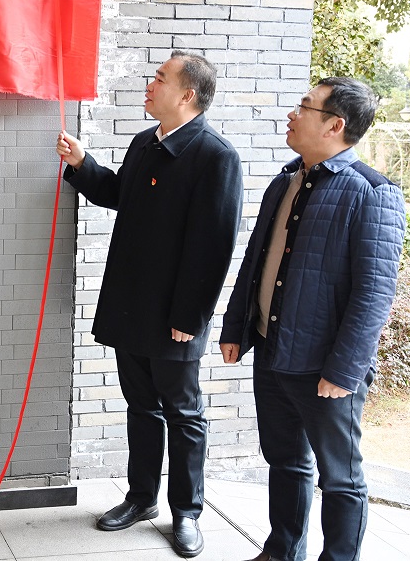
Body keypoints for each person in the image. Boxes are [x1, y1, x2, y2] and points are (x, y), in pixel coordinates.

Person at [57, 50, 243, 558]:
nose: (150, 83)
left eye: (160, 78)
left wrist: (190, 317)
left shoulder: (215, 156)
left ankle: (187, 513)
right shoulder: (145, 142)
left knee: (183, 414)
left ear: (187, 95)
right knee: (141, 407)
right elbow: (120, 194)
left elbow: (215, 246)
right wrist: (83, 165)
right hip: (131, 306)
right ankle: (141, 498)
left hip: (175, 317)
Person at [220, 77, 405, 561]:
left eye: (304, 107)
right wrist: (237, 327)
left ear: (334, 125)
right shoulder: (285, 181)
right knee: (284, 461)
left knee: (340, 477)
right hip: (272, 350)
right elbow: (256, 261)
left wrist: (343, 371)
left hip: (326, 368)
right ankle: (282, 551)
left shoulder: (373, 193)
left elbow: (374, 294)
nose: (292, 114)